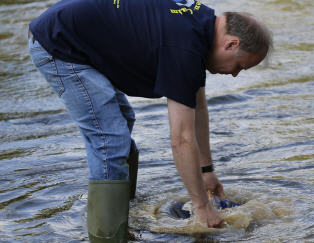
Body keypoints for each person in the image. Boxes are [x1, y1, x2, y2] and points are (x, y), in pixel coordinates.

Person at [28, 0, 272, 242]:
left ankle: (125, 217)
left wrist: (206, 171)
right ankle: (107, 237)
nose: (234, 74)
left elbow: (197, 107)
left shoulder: (200, 26)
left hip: (76, 32)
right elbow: (181, 140)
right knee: (110, 140)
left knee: (122, 123)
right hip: (60, 42)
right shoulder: (185, 47)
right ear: (231, 43)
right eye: (240, 66)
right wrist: (201, 206)